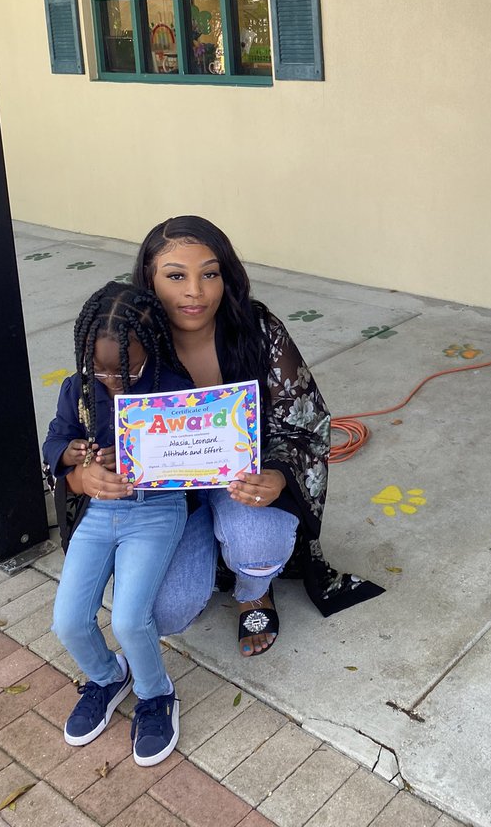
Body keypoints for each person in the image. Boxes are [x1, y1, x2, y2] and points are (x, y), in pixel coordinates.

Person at [129, 215, 383, 655]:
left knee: (259, 545)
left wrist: (280, 476)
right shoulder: (129, 339)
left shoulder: (258, 329)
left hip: (244, 479)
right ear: (150, 282)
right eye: (175, 276)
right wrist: (87, 470)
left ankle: (253, 590)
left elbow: (308, 420)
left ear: (226, 277)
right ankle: (206, 541)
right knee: (167, 614)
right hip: (169, 496)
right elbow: (86, 426)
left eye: (210, 273)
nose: (195, 290)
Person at [44, 282, 191, 767]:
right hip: (97, 513)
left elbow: (195, 458)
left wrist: (143, 460)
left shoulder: (172, 386)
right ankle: (109, 678)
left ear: (146, 345)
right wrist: (74, 462)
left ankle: (155, 694)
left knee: (130, 618)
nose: (109, 379)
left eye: (121, 367)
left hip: (154, 510)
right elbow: (55, 443)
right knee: (67, 619)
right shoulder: (77, 388)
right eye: (98, 369)